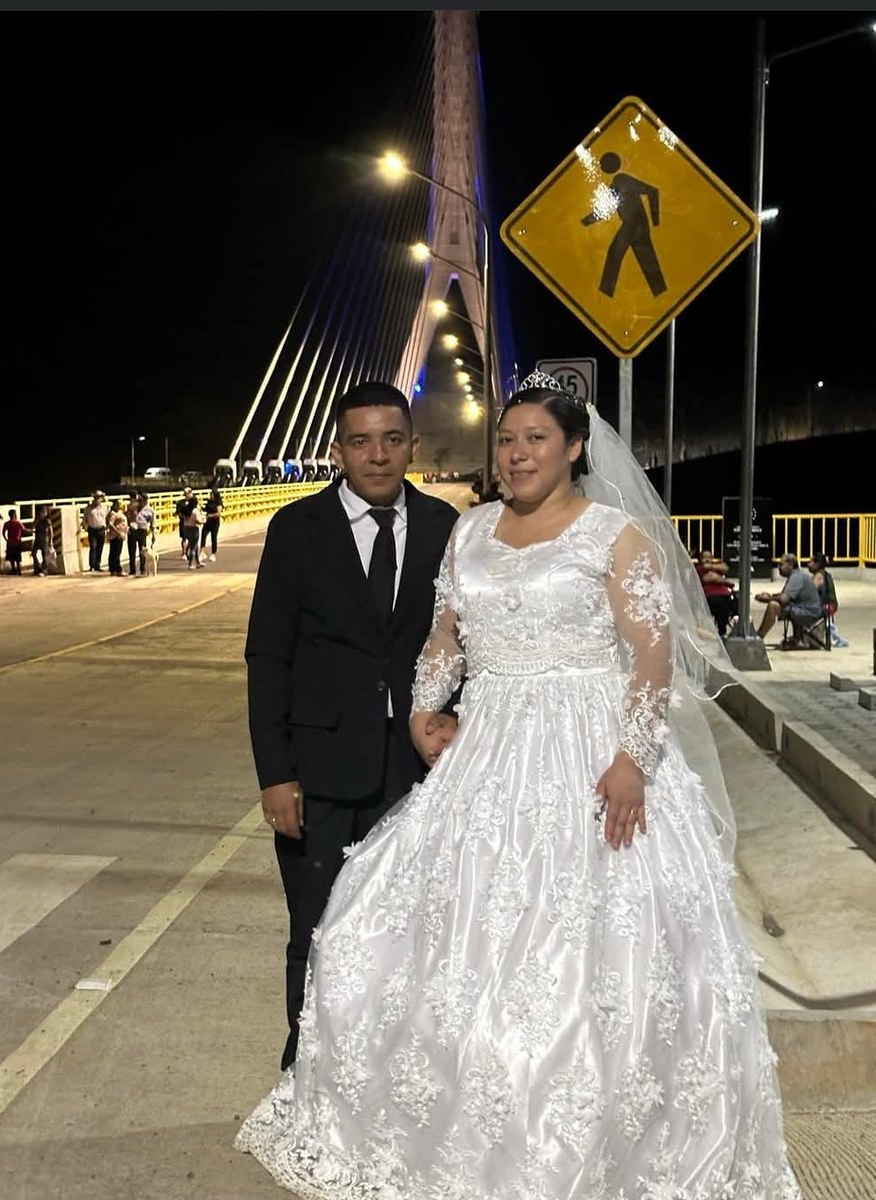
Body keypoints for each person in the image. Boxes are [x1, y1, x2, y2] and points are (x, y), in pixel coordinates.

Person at [236, 373, 801, 1200]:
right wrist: (426, 708)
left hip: (588, 752)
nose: (518, 454)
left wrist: (632, 759)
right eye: (507, 440)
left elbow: (651, 657)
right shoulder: (469, 532)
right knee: (397, 934)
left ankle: (595, 1142)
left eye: (536, 439)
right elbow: (446, 636)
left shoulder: (615, 537)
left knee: (588, 954)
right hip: (489, 749)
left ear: (574, 448)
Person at [245, 380, 460, 1074]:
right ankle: (307, 1071)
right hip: (321, 772)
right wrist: (275, 774)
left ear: (412, 446)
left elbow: (467, 645)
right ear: (337, 451)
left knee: (408, 934)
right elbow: (268, 656)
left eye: (392, 440)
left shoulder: (445, 528)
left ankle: (389, 1076)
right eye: (361, 442)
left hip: (416, 772)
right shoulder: (296, 530)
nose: (377, 455)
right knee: (316, 930)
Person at [754, 552, 822, 643]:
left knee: (773, 606)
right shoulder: (797, 575)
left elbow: (783, 599)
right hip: (805, 609)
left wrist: (766, 599)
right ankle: (797, 638)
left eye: (781, 564)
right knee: (775, 603)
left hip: (808, 612)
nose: (779, 567)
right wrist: (771, 596)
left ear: (790, 565)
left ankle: (758, 637)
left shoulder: (796, 577)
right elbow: (786, 595)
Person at [807, 552, 849, 648]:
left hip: (827, 606)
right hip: (830, 604)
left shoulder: (819, 576)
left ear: (817, 564)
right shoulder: (825, 574)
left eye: (810, 562)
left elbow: (810, 592)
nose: (808, 564)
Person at [694, 547, 737, 637]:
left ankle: (737, 630)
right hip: (710, 598)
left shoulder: (715, 567)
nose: (707, 560)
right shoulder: (699, 569)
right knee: (721, 603)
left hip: (726, 595)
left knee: (738, 603)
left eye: (709, 557)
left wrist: (712, 567)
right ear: (699, 559)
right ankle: (722, 632)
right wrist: (725, 581)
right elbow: (709, 578)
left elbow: (725, 567)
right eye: (704, 557)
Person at [83, 490, 108, 571]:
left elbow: (107, 518)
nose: (98, 499)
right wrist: (85, 527)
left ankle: (98, 565)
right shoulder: (88, 508)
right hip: (92, 529)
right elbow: (85, 519)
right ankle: (92, 565)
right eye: (96, 497)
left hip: (101, 529)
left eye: (100, 497)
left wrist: (107, 528)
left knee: (100, 548)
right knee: (93, 547)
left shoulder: (104, 508)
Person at [106, 498, 128, 577]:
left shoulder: (120, 512)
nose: (120, 505)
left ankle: (113, 569)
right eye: (118, 504)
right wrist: (117, 532)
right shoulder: (113, 513)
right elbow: (110, 524)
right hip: (116, 535)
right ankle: (118, 569)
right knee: (116, 553)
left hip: (121, 534)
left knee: (115, 552)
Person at [201, 488, 223, 561]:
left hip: (215, 523)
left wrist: (210, 515)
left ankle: (213, 554)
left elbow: (218, 514)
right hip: (207, 522)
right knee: (203, 535)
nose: (211, 495)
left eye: (212, 494)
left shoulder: (218, 504)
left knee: (213, 538)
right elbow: (206, 509)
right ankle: (202, 552)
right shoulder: (209, 502)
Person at [2, 509, 25, 575]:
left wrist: (6, 539)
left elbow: (3, 532)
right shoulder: (18, 523)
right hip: (17, 542)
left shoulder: (7, 523)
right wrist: (33, 531)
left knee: (11, 557)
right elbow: (24, 530)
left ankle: (13, 570)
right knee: (18, 557)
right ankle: (19, 570)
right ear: (15, 515)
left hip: (10, 542)